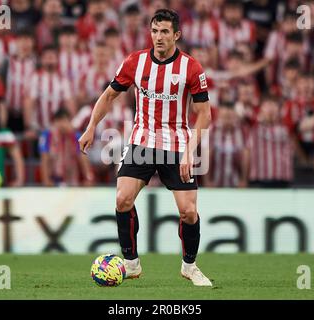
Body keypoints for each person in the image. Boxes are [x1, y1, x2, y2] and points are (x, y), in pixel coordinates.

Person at [78, 9, 213, 286]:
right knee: (122, 199)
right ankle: (131, 263)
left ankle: (189, 266)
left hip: (176, 145)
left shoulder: (191, 67)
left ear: (177, 34)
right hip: (141, 141)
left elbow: (204, 114)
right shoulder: (135, 62)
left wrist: (189, 150)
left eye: (165, 32)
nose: (159, 37)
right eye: (154, 31)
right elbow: (109, 95)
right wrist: (91, 125)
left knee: (188, 212)